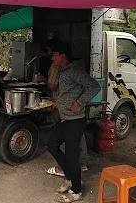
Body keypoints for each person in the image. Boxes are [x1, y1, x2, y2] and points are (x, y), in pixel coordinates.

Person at [47, 41, 100, 202]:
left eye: (54, 55)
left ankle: (76, 191)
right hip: (64, 118)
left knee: (72, 156)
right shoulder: (64, 70)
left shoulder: (75, 70)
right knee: (52, 146)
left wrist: (79, 103)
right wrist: (57, 104)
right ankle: (69, 178)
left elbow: (94, 86)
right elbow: (68, 93)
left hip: (75, 120)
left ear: (63, 56)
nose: (52, 58)